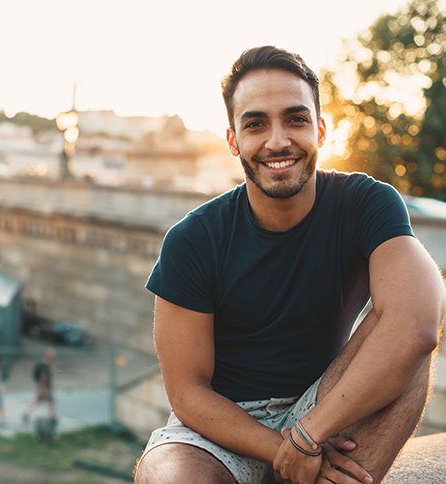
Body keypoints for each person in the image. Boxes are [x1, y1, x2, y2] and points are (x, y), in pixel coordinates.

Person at [134, 46, 446, 484]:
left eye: (295, 119)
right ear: (232, 140)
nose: (277, 141)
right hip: (220, 425)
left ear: (320, 130)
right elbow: (188, 395)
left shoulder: (366, 202)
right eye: (256, 124)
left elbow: (417, 321)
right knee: (169, 478)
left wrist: (306, 437)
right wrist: (284, 448)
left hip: (326, 405)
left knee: (406, 347)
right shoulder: (193, 240)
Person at [22, 349, 56, 424]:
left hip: (44, 387)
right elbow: (43, 377)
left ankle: (52, 417)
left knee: (49, 401)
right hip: (45, 388)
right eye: (53, 356)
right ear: (49, 356)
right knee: (40, 401)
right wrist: (43, 388)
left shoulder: (44, 363)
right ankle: (26, 413)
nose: (53, 358)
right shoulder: (45, 365)